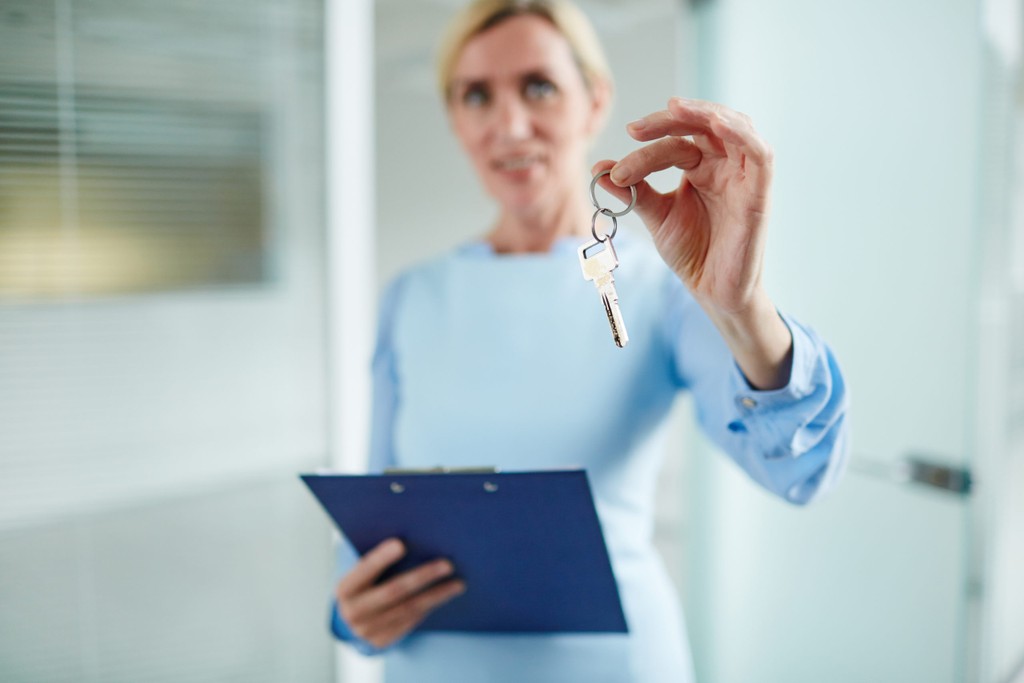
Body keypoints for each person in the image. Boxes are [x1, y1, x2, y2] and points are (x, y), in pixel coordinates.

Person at [329, 1, 849, 681]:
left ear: (594, 99)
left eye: (538, 86)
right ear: (456, 121)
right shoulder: (410, 297)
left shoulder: (663, 289)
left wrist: (741, 305)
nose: (509, 124)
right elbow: (371, 522)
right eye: (477, 95)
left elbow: (801, 470)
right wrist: (353, 615)